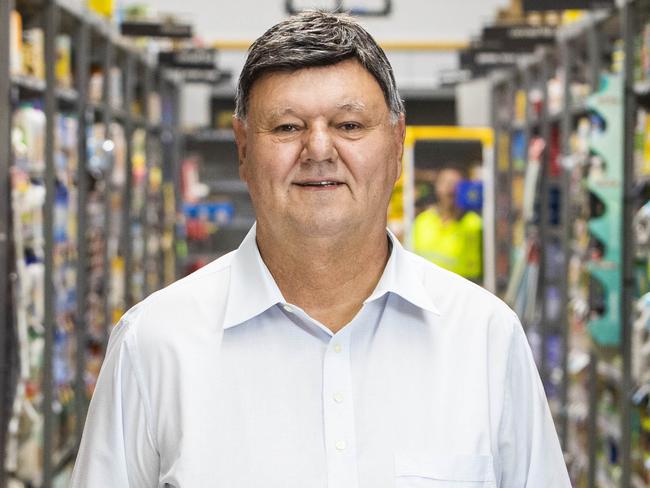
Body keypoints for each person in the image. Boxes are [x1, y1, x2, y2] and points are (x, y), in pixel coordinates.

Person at [70, 11, 571, 487]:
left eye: (349, 125)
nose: (319, 150)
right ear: (243, 148)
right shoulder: (154, 344)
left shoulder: (485, 339)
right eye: (287, 127)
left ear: (397, 143)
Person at [412, 162, 483, 281]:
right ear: (437, 187)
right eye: (445, 182)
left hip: (460, 293)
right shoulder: (422, 221)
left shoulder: (474, 224)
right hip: (424, 291)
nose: (451, 187)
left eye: (456, 183)